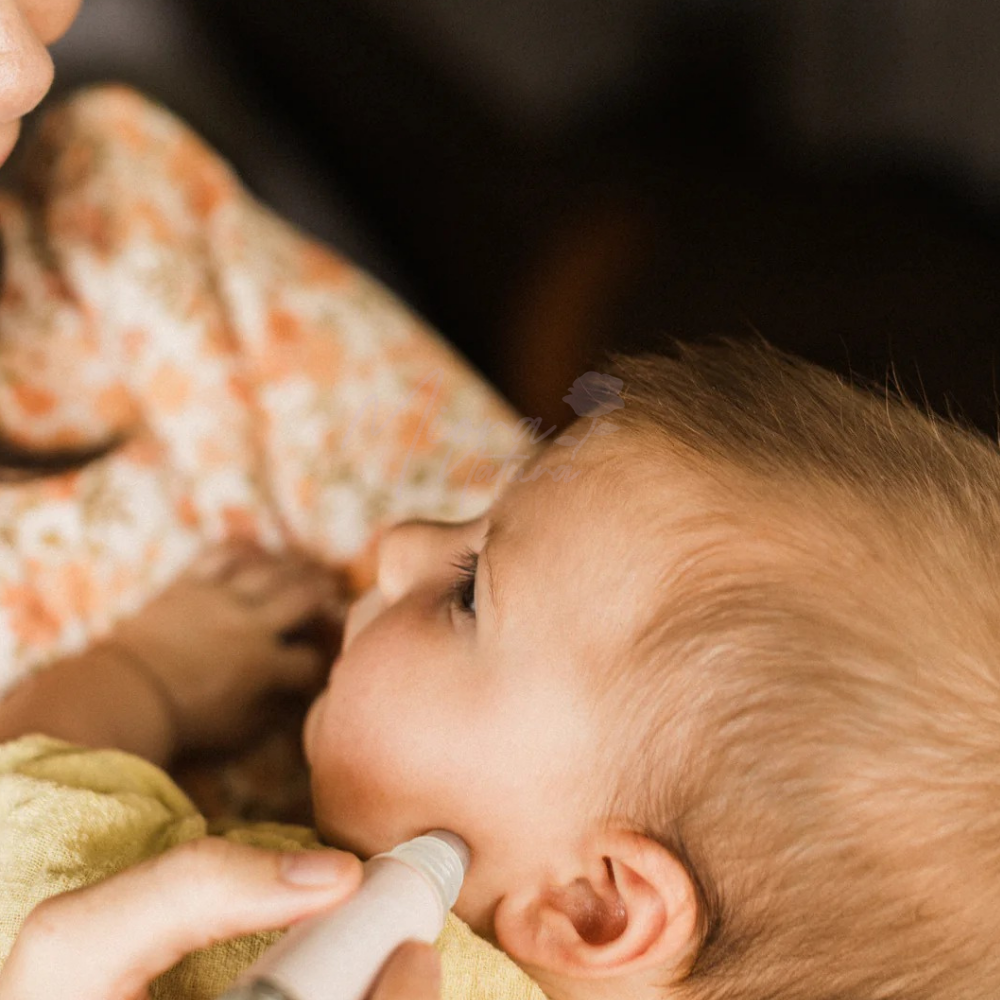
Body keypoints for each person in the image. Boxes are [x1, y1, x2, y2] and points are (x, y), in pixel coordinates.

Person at [5, 335, 1000, 999]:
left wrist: (142, 675)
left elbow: (29, 831)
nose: (397, 543)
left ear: (592, 907)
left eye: (470, 590)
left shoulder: (309, 943)